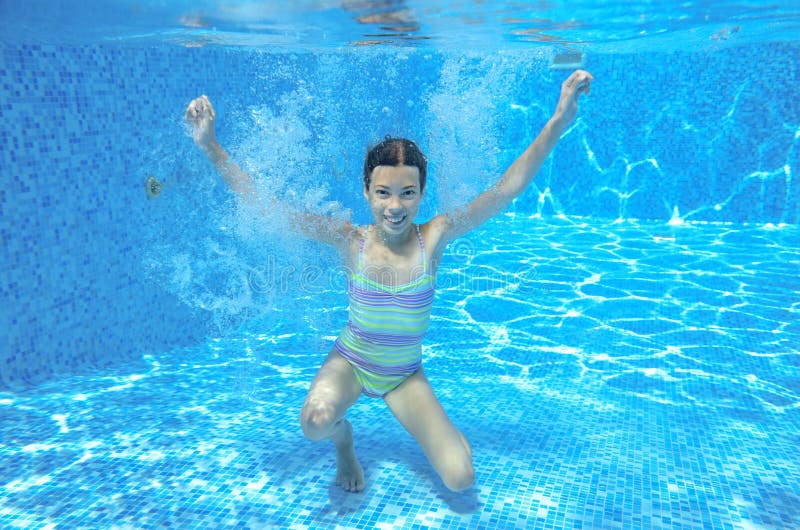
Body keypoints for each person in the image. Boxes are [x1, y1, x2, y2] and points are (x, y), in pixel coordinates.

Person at [184, 69, 593, 493]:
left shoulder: (434, 236)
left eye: (407, 193)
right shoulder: (349, 240)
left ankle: (450, 442)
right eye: (383, 192)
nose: (395, 206)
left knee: (461, 479)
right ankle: (345, 442)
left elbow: (505, 189)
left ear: (421, 192)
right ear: (365, 191)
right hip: (353, 363)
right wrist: (212, 147)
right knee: (314, 423)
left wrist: (558, 121)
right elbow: (269, 207)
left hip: (403, 374)